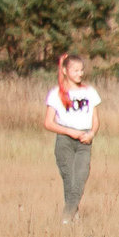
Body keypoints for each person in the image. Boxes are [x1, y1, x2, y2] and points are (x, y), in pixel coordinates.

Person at [41, 52, 99, 222]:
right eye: (75, 70)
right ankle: (72, 219)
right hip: (65, 141)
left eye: (81, 70)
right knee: (69, 180)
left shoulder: (90, 92)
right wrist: (70, 132)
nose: (79, 74)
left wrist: (92, 133)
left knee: (80, 178)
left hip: (84, 141)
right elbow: (48, 123)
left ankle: (67, 217)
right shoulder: (56, 94)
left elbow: (95, 119)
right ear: (65, 71)